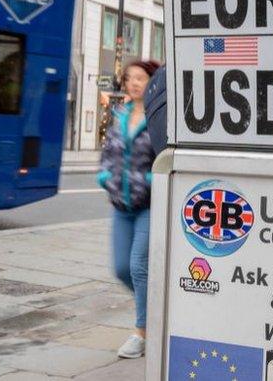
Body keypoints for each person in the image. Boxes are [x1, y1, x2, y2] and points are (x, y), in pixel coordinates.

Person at [97, 59, 161, 359]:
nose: (134, 83)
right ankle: (157, 310)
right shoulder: (120, 114)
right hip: (121, 206)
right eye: (130, 78)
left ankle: (141, 332)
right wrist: (105, 176)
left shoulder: (160, 117)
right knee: (122, 269)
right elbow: (108, 152)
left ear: (152, 82)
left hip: (149, 205)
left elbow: (166, 160)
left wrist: (147, 181)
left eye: (140, 78)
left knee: (138, 265)